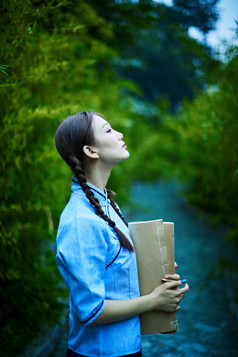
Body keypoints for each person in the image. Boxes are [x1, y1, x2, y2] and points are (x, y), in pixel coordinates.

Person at [55, 111, 189, 357]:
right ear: (91, 151)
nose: (120, 134)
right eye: (108, 130)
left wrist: (153, 268)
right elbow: (90, 311)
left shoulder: (105, 203)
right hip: (100, 352)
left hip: (126, 346)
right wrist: (154, 301)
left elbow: (111, 269)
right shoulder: (80, 221)